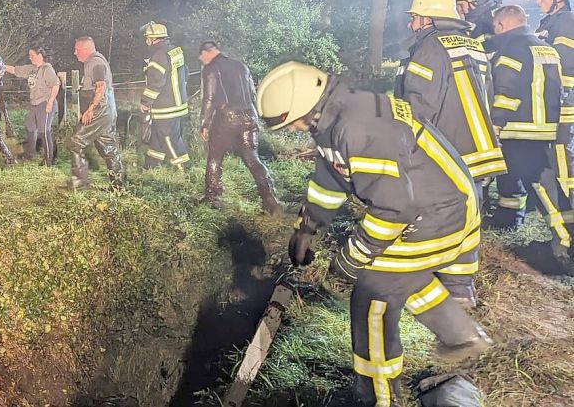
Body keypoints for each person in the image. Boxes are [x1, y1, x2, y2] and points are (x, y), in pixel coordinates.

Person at [257, 62, 492, 407]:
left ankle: (376, 396)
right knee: (401, 277)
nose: (291, 129)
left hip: (435, 215)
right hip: (438, 203)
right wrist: (307, 226)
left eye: (290, 121)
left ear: (306, 107)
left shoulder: (356, 128)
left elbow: (394, 209)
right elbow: (332, 176)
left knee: (373, 293)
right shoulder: (336, 117)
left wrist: (351, 259)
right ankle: (464, 337)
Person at [395, 0, 505, 306]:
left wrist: (404, 142)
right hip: (480, 147)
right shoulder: (475, 45)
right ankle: (461, 288)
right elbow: (490, 94)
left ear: (428, 19)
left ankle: (430, 279)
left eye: (414, 16)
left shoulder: (429, 48)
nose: (411, 22)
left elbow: (418, 105)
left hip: (447, 149)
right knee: (470, 215)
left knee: (438, 213)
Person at [484, 5, 571, 258]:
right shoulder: (546, 47)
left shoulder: (511, 48)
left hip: (519, 130)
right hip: (546, 129)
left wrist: (494, 128)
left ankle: (565, 244)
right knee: (544, 184)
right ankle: (561, 235)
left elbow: (505, 95)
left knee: (539, 187)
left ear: (500, 26)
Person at [198, 41, 283, 215]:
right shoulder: (240, 66)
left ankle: (212, 198)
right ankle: (271, 201)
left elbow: (209, 98)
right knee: (252, 158)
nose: (201, 60)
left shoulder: (211, 68)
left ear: (206, 53)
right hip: (249, 115)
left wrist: (205, 123)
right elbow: (252, 93)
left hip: (227, 118)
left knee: (215, 157)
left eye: (201, 57)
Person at [529, 0, 574, 259]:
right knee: (560, 172)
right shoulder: (552, 23)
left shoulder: (565, 24)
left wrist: (559, 101)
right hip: (558, 110)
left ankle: (568, 243)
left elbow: (566, 70)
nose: (538, 2)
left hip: (565, 112)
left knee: (565, 173)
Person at [68, 36, 123, 189]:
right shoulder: (94, 62)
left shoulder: (95, 62)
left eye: (77, 49)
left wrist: (90, 109)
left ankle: (79, 185)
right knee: (108, 147)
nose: (74, 53)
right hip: (107, 109)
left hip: (100, 109)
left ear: (86, 49)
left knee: (75, 142)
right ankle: (118, 186)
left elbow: (100, 87)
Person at [139, 21, 190, 169]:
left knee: (169, 139)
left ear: (153, 39)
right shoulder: (175, 51)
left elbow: (155, 83)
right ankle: (151, 168)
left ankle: (184, 171)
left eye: (147, 38)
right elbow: (185, 73)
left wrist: (145, 102)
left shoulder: (158, 57)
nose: (146, 41)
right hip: (177, 103)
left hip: (165, 107)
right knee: (157, 139)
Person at [5, 46, 61, 165]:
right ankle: (30, 154)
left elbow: (55, 85)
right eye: (29, 56)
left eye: (32, 55)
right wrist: (0, 65)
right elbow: (15, 70)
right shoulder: (31, 69)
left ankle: (48, 160)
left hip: (45, 103)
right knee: (30, 127)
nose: (30, 58)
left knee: (44, 131)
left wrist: (50, 102)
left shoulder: (47, 69)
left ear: (40, 55)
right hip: (35, 104)